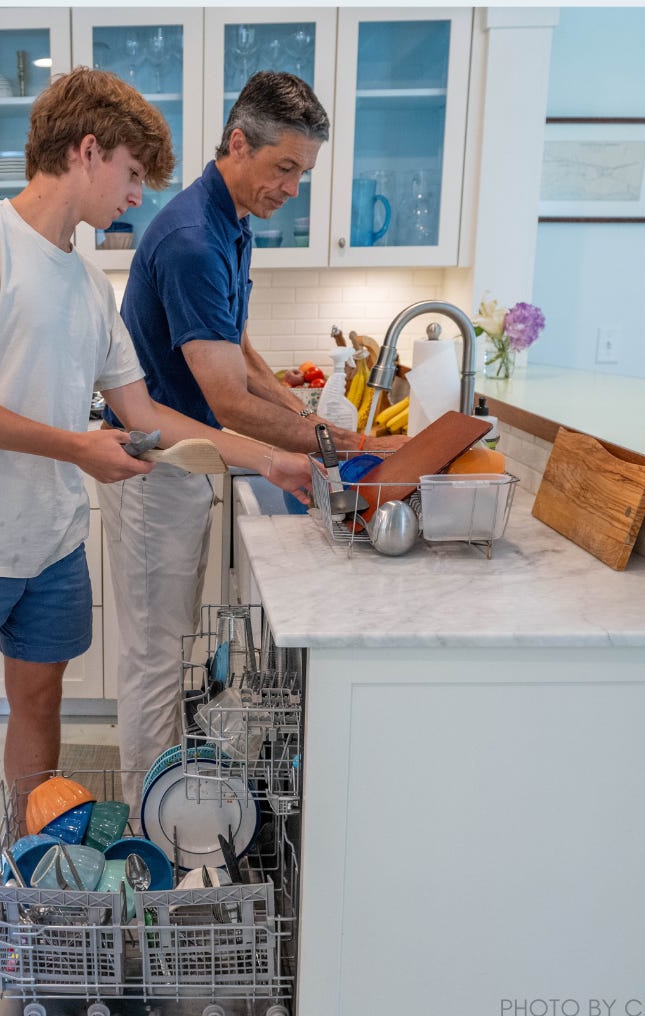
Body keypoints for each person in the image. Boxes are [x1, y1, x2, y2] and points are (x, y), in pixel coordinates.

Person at [0, 66, 310, 975]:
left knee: (40, 706)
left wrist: (266, 456)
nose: (137, 194)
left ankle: (41, 867)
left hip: (51, 541)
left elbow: (148, 416)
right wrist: (76, 447)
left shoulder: (85, 277)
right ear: (86, 152)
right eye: (130, 174)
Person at [99, 71, 404, 800]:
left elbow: (239, 352)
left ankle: (166, 808)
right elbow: (229, 399)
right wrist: (323, 445)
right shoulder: (192, 238)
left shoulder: (229, 223)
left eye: (303, 171)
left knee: (168, 647)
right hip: (152, 470)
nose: (294, 187)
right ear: (239, 143)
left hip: (188, 461)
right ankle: (152, 832)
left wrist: (320, 429)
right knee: (155, 655)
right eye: (285, 167)